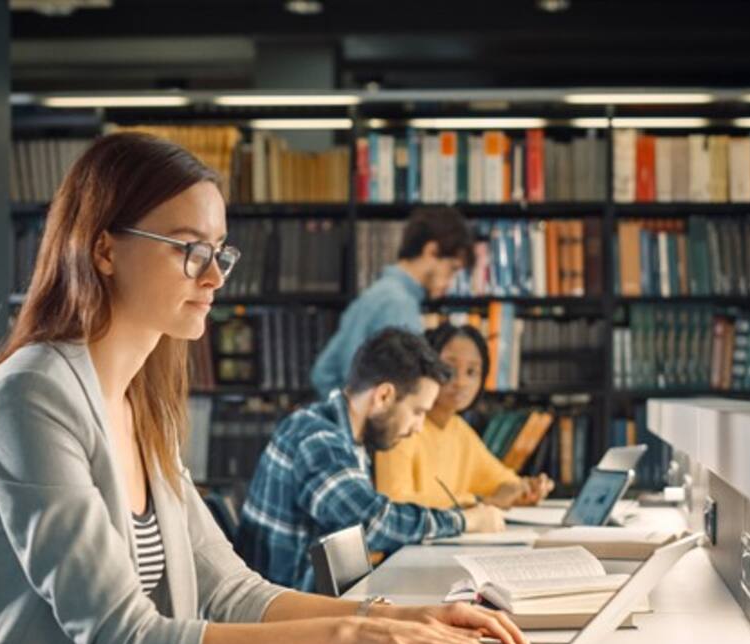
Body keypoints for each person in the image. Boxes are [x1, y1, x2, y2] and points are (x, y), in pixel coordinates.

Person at [0, 134, 527, 644]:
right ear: (105, 249)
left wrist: (398, 618)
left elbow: (234, 593)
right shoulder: (30, 398)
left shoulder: (143, 406)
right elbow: (122, 640)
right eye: (190, 250)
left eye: (221, 251)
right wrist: (354, 634)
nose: (216, 274)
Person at [236, 327, 507, 592]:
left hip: (320, 604)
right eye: (417, 411)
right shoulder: (317, 439)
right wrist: (464, 521)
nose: (418, 427)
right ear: (384, 396)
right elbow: (370, 522)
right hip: (290, 617)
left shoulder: (345, 436)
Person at [376, 323, 555, 510]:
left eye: (471, 372)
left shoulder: (459, 429)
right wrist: (476, 502)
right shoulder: (401, 426)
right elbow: (394, 502)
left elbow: (503, 481)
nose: (461, 382)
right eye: (449, 370)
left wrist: (525, 489)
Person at [310, 206, 472, 396]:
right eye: (452, 269)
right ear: (431, 251)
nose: (450, 284)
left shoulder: (378, 293)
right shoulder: (399, 304)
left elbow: (323, 373)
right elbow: (403, 392)